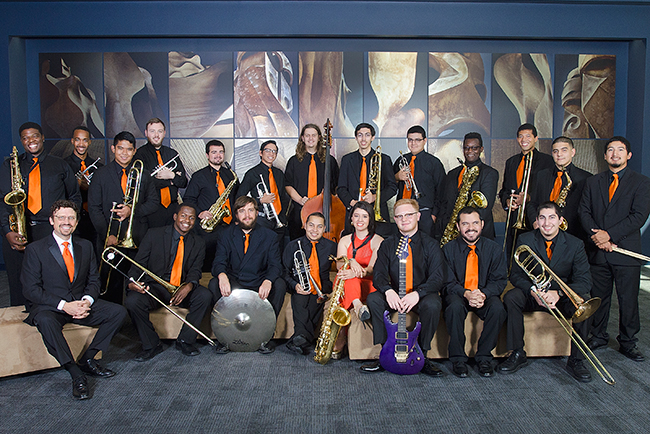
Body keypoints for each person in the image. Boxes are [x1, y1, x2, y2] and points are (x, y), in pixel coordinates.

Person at [21, 200, 126, 400]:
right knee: (45, 321)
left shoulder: (85, 246)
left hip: (79, 304)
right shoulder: (36, 249)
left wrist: (86, 301)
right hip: (52, 307)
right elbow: (30, 289)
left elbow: (94, 280)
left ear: (77, 222)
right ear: (52, 221)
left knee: (118, 312)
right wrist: (64, 306)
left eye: (71, 217)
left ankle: (87, 359)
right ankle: (75, 373)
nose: (66, 222)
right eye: (61, 217)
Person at [499, 202, 594, 382]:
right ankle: (517, 352)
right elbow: (515, 276)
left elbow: (584, 281)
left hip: (561, 297)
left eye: (552, 217)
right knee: (512, 297)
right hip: (534, 294)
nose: (546, 223)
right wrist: (534, 291)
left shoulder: (575, 244)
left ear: (560, 220)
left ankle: (577, 360)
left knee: (584, 304)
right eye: (542, 218)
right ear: (537, 220)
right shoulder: (526, 240)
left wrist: (558, 293)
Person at [579, 136, 650, 362]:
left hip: (625, 251)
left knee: (628, 300)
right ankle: (598, 335)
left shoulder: (641, 182)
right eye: (610, 150)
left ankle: (628, 342)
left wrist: (609, 235)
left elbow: (639, 216)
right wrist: (598, 238)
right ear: (605, 155)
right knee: (599, 297)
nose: (615, 154)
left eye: (620, 150)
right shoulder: (593, 182)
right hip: (598, 251)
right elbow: (583, 212)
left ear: (628, 155)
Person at [361, 199, 447, 376]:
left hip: (419, 295)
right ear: (395, 219)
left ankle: (422, 354)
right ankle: (385, 351)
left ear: (418, 216)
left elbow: (438, 277)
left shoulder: (431, 244)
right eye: (399, 216)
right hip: (395, 294)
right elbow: (378, 274)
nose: (404, 219)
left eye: (409, 215)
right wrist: (388, 291)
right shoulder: (388, 244)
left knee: (433, 304)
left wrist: (418, 293)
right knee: (373, 299)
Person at [0, 122, 81, 307]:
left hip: (51, 230)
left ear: (43, 137)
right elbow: (2, 201)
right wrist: (7, 231)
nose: (31, 141)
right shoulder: (10, 166)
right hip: (20, 230)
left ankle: (52, 318)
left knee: (52, 281)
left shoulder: (60, 165)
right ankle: (22, 326)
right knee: (18, 282)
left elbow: (74, 196)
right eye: (26, 137)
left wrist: (69, 226)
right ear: (21, 141)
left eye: (35, 136)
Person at [124, 204, 212, 361]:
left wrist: (189, 285)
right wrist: (131, 283)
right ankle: (151, 344)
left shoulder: (198, 242)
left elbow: (195, 270)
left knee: (204, 295)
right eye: (184, 216)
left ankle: (185, 340)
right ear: (175, 217)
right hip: (156, 287)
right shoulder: (153, 235)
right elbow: (138, 265)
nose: (187, 220)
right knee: (132, 301)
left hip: (181, 287)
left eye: (192, 218)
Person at [209, 196, 287, 354]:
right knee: (213, 283)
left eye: (251, 210)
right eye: (242, 211)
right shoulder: (225, 234)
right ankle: (224, 337)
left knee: (279, 284)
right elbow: (219, 261)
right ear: (236, 215)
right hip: (235, 281)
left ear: (257, 213)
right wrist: (222, 275)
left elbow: (275, 265)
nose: (247, 215)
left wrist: (268, 280)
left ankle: (266, 337)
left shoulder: (269, 236)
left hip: (258, 281)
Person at [88, 131, 158, 303]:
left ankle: (134, 323)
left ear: (134, 151)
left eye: (129, 149)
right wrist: (107, 235)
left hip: (137, 237)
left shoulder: (144, 174)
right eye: (120, 148)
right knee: (111, 282)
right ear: (113, 149)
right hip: (110, 237)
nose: (124, 153)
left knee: (137, 282)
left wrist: (132, 210)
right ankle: (113, 321)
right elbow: (94, 208)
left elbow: (153, 202)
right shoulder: (101, 174)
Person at [442, 207, 507, 377]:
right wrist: (467, 294)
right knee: (454, 307)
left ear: (482, 224)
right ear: (458, 226)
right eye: (465, 223)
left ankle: (484, 357)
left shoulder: (494, 249)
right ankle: (458, 359)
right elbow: (446, 282)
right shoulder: (447, 250)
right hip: (459, 295)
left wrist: (482, 294)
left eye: (475, 223)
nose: (470, 228)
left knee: (498, 308)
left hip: (484, 294)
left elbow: (500, 280)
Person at [332, 201, 383, 357]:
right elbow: (340, 264)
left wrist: (356, 272)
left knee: (350, 278)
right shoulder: (345, 240)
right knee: (347, 276)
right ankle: (358, 306)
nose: (360, 220)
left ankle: (340, 337)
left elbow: (372, 269)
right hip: (346, 279)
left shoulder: (378, 240)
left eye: (364, 216)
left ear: (370, 220)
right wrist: (351, 261)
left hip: (368, 282)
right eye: (356, 216)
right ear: (351, 219)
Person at [282, 212, 337, 355]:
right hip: (299, 286)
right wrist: (294, 285)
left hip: (321, 288)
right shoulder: (293, 246)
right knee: (300, 299)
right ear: (305, 226)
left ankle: (299, 339)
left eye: (319, 227)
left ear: (324, 228)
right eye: (311, 225)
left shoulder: (332, 247)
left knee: (316, 301)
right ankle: (303, 338)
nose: (314, 230)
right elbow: (284, 272)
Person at [498, 123, 554, 259]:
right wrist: (507, 201)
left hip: (534, 219)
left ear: (536, 138)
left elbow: (548, 191)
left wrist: (529, 198)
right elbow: (504, 189)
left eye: (528, 136)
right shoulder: (511, 162)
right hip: (514, 219)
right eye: (520, 137)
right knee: (512, 256)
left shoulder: (547, 161)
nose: (524, 140)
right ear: (517, 139)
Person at [183, 139, 239, 271]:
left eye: (220, 152)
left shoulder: (231, 175)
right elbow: (188, 199)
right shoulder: (198, 176)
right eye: (214, 152)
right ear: (207, 155)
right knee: (208, 263)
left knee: (228, 261)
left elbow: (237, 199)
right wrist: (200, 212)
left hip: (229, 226)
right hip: (209, 228)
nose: (218, 155)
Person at [337, 122, 397, 238]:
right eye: (360, 135)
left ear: (373, 137)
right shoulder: (347, 160)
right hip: (354, 214)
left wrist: (375, 197)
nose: (363, 139)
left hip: (378, 216)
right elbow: (341, 188)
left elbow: (392, 188)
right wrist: (353, 203)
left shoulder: (384, 159)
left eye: (367, 135)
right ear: (356, 137)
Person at [527, 136, 591, 240]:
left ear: (573, 152)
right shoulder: (541, 175)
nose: (559, 154)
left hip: (573, 236)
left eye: (564, 150)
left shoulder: (586, 178)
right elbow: (532, 203)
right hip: (543, 232)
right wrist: (535, 222)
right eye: (555, 151)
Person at [284, 124, 339, 240]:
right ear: (302, 138)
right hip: (300, 211)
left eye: (313, 135)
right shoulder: (293, 161)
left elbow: (337, 186)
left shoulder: (330, 160)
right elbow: (288, 185)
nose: (310, 138)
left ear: (319, 137)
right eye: (307, 135)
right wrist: (300, 200)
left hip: (324, 210)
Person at [441, 132, 498, 240]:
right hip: (452, 233)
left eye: (474, 148)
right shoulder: (452, 174)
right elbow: (446, 203)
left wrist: (465, 226)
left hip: (479, 234)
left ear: (481, 149)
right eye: (466, 148)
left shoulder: (490, 173)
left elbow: (485, 207)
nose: (470, 151)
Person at [134, 118, 188, 228]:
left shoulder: (172, 153)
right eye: (152, 131)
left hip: (173, 208)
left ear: (164, 133)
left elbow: (183, 182)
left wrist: (171, 175)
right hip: (152, 211)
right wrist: (171, 181)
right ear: (146, 133)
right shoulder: (140, 154)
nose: (156, 135)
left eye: (159, 131)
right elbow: (144, 184)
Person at [393, 125, 445, 239]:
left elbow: (441, 191)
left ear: (424, 141)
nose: (413, 143)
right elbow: (389, 186)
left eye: (417, 140)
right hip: (403, 214)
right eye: (410, 140)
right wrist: (397, 177)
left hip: (425, 213)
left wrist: (433, 215)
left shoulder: (434, 163)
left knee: (424, 247)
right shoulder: (401, 160)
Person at [236, 140, 289, 247]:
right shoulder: (252, 173)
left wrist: (283, 216)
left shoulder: (279, 173)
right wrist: (260, 201)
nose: (271, 153)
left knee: (277, 252)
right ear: (261, 153)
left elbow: (283, 197)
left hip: (279, 220)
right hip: (262, 220)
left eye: (274, 151)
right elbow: (239, 198)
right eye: (268, 150)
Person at [64, 126, 104, 248]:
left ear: (90, 142)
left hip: (93, 218)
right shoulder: (63, 165)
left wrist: (90, 187)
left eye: (85, 140)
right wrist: (75, 185)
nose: (81, 144)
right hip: (73, 219)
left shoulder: (99, 166)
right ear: (72, 141)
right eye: (77, 140)